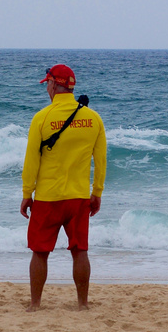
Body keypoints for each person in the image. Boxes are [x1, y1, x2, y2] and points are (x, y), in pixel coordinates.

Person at [21, 64, 107, 311]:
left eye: (47, 84)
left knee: (39, 252)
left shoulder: (42, 117)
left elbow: (31, 161)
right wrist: (97, 193)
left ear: (54, 85)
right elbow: (100, 161)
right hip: (79, 197)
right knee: (80, 250)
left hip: (48, 197)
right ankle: (82, 304)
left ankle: (35, 304)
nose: (46, 88)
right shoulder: (93, 118)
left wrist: (27, 193)